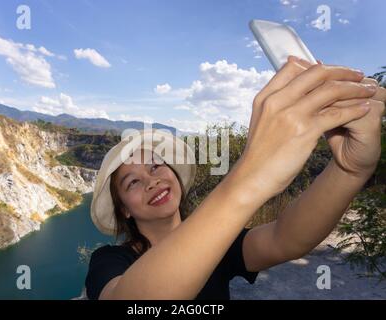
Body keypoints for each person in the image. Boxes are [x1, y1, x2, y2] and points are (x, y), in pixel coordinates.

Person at [85, 56, 386, 300]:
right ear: (123, 207)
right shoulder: (110, 260)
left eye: (155, 167)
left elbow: (286, 239)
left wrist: (349, 170)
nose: (151, 180)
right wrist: (249, 177)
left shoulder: (220, 243)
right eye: (132, 182)